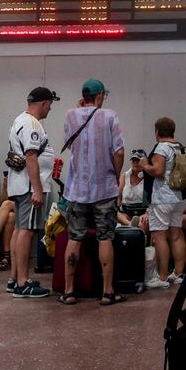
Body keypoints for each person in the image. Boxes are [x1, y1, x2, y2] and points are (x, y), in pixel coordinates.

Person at [58, 78, 126, 306]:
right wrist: (115, 175)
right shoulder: (109, 116)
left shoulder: (70, 115)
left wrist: (81, 108)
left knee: (75, 237)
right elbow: (119, 151)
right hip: (104, 188)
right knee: (105, 237)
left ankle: (68, 291)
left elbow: (68, 140)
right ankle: (107, 292)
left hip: (77, 189)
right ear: (99, 96)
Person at [6, 87, 59, 298]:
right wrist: (37, 189)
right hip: (29, 187)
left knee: (20, 229)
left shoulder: (20, 119)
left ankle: (15, 278)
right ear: (43, 103)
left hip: (21, 185)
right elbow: (31, 157)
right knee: (26, 232)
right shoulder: (32, 124)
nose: (50, 109)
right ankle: (22, 283)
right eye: (50, 104)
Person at [139, 117, 186, 289]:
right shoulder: (181, 147)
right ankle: (178, 273)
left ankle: (162, 276)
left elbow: (158, 171)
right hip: (179, 197)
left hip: (162, 198)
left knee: (160, 237)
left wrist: (145, 164)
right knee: (176, 235)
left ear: (157, 132)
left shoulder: (162, 147)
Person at [116, 149, 148, 226]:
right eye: (133, 160)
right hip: (126, 211)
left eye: (138, 160)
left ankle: (135, 224)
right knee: (114, 214)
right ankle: (130, 224)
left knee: (142, 222)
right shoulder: (124, 176)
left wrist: (147, 213)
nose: (135, 163)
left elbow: (150, 199)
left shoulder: (148, 177)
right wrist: (117, 209)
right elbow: (118, 197)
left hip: (142, 211)